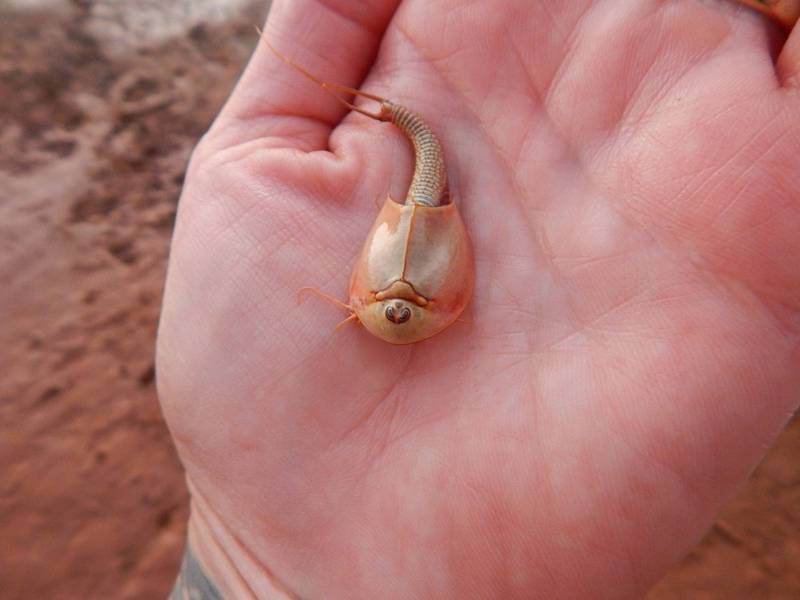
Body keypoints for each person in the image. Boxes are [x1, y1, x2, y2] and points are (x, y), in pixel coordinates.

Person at [158, 0, 800, 598]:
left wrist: (247, 568)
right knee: (421, 145)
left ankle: (404, 122)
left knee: (421, 143)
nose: (393, 308)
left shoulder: (399, 305)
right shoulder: (406, 304)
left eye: (392, 308)